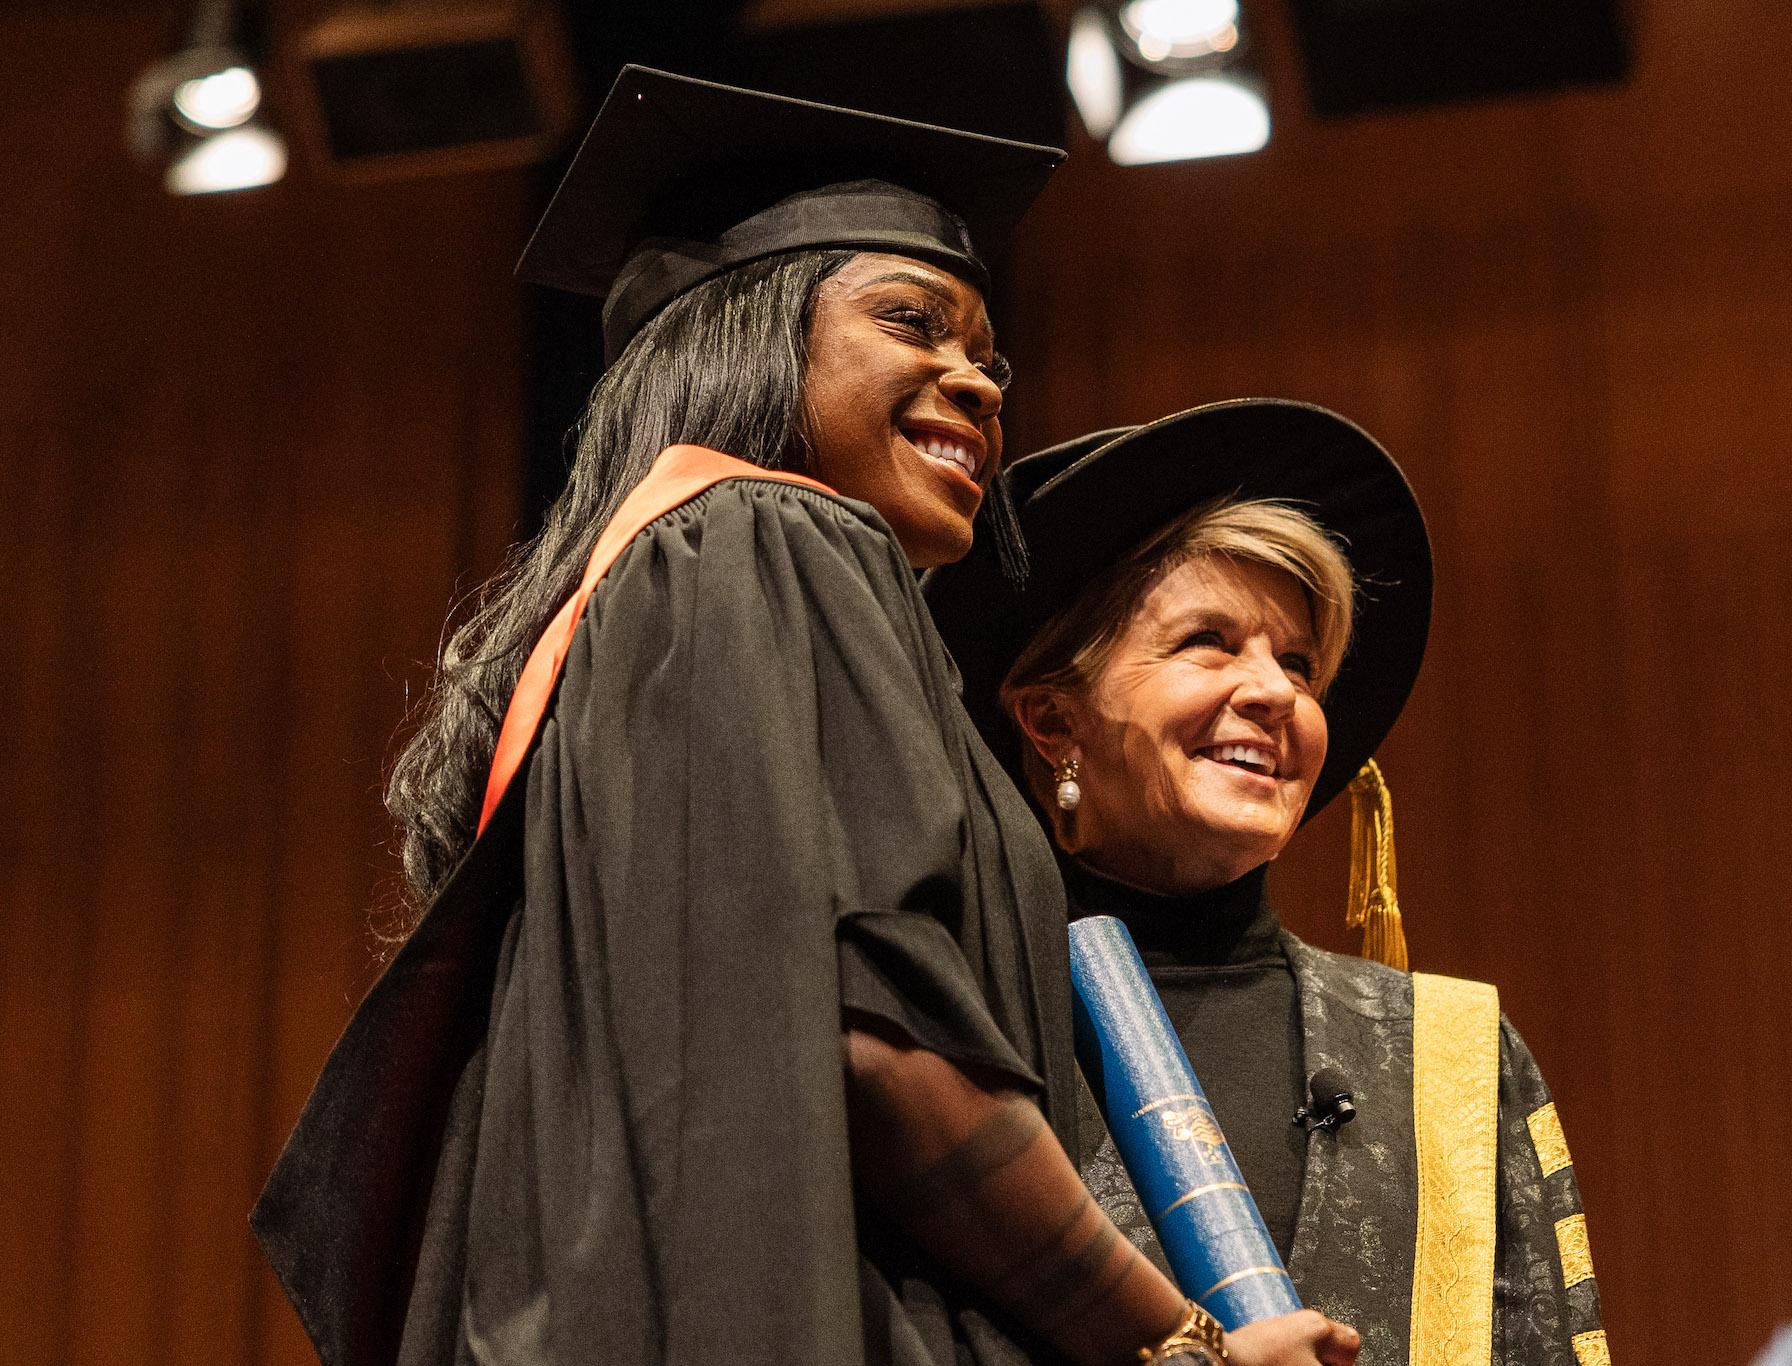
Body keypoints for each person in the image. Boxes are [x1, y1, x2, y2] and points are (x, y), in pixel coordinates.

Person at [251, 76, 1356, 1366]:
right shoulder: (776, 539)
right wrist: (1186, 1346)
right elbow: (884, 1046)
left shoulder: (643, 599)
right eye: (912, 323)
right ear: (752, 335)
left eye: (986, 357)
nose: (978, 384)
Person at [924, 400, 1609, 1365]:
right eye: (1209, 641)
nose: (1277, 692)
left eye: (1299, 662)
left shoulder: (1447, 1058)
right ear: (1051, 723)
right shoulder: (952, 1031)